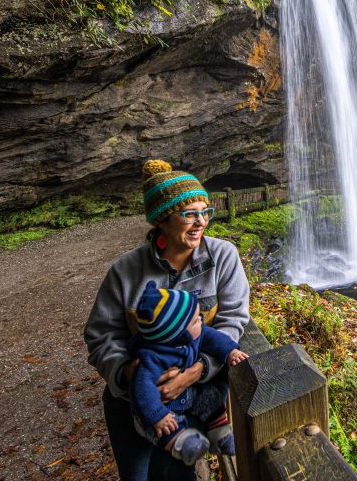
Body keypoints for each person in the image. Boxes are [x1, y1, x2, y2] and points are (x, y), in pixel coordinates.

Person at [84, 159, 250, 481]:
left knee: (179, 474)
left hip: (194, 396)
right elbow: (101, 335)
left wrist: (195, 371)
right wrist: (131, 374)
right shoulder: (125, 270)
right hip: (131, 402)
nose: (201, 222)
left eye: (205, 212)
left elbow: (232, 321)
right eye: (189, 213)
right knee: (137, 475)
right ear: (163, 218)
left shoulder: (223, 257)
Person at [129, 281, 248, 465]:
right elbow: (142, 391)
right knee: (162, 431)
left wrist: (231, 351)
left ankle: (220, 435)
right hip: (162, 409)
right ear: (178, 335)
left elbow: (216, 339)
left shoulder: (196, 333)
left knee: (211, 397)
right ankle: (183, 444)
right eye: (195, 320)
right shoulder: (151, 359)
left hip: (190, 392)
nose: (201, 318)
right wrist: (157, 416)